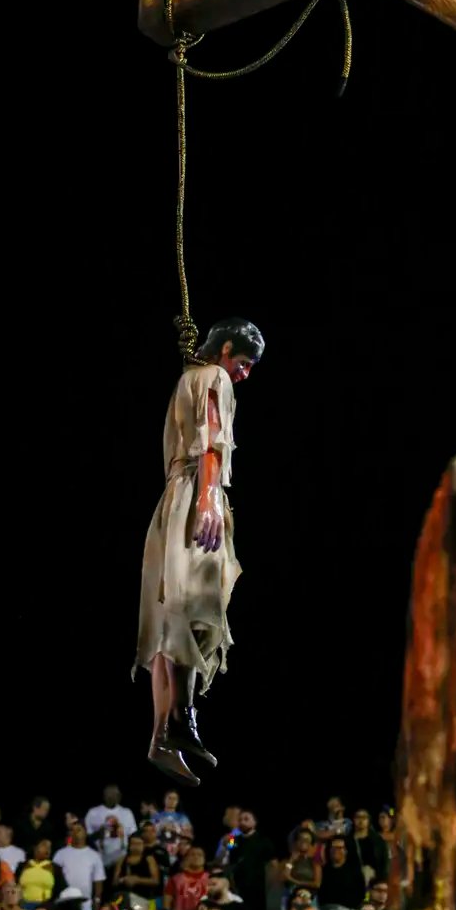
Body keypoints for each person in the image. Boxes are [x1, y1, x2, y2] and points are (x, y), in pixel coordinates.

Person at [134, 319, 266, 785]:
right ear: (227, 349)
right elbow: (211, 441)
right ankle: (182, 719)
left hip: (169, 501)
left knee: (168, 615)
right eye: (245, 363)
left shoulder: (185, 380)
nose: (245, 375)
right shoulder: (213, 378)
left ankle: (160, 737)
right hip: (193, 494)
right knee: (192, 606)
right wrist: (209, 498)